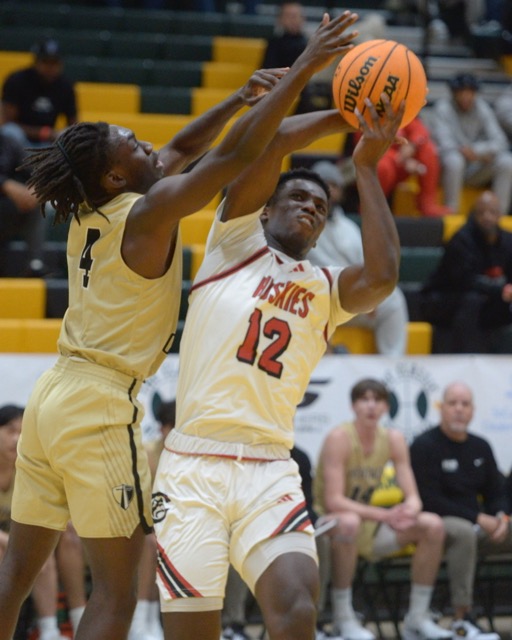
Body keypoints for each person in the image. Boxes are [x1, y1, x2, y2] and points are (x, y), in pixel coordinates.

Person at [0, 11, 359, 638]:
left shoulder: (98, 203)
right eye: (135, 147)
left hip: (52, 395)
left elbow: (185, 146)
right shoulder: (150, 211)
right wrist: (306, 69)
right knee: (112, 594)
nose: (148, 147)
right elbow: (238, 154)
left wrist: (234, 98)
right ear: (118, 175)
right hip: (99, 406)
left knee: (14, 574)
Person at [151, 49, 405, 637]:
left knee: (295, 613)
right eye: (299, 199)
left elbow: (383, 278)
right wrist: (343, 114)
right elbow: (266, 144)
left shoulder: (325, 289)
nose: (311, 210)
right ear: (265, 210)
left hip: (270, 469)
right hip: (194, 466)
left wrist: (366, 167)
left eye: (321, 208)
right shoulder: (232, 244)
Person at [313, 378, 451, 640]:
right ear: (353, 405)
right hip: (328, 526)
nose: (371, 406)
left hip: (369, 524)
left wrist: (408, 510)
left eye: (377, 400)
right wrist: (385, 514)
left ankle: (417, 619)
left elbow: (414, 497)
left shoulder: (393, 438)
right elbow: (334, 501)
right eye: (364, 399)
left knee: (432, 524)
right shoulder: (339, 438)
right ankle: (343, 618)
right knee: (349, 520)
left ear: (387, 407)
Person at [410, 381, 511, 639]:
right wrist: (478, 517)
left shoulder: (480, 446)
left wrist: (500, 517)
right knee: (464, 532)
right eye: (453, 403)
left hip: (481, 525)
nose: (459, 409)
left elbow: (496, 491)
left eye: (465, 404)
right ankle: (461, 619)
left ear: (473, 410)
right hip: (437, 523)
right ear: (441, 408)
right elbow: (427, 498)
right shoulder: (424, 445)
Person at [307, 160, 409, 356]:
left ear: (341, 192)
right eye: (323, 183)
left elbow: (369, 268)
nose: (328, 189)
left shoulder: (350, 228)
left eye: (334, 185)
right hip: (317, 297)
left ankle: (392, 365)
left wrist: (370, 297)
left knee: (393, 299)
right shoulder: (301, 221)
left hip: (350, 298)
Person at [0, 405, 67, 640]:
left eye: (22, 432)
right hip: (5, 545)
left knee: (42, 553)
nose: (16, 439)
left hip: (12, 545)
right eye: (10, 430)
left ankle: (50, 631)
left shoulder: (30, 470)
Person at [420, 190, 512, 353]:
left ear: (500, 215)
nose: (487, 217)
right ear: (473, 215)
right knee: (473, 301)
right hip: (443, 300)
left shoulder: (508, 240)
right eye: (481, 212)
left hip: (486, 299)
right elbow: (464, 281)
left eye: (492, 212)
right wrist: (502, 290)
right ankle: (467, 360)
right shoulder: (461, 240)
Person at [430, 72, 512, 215]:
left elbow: (501, 141)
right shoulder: (443, 108)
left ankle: (498, 215)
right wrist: (464, 150)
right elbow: (443, 143)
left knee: (507, 162)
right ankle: (451, 211)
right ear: (454, 93)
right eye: (462, 92)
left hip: (474, 168)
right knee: (454, 160)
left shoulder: (482, 108)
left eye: (470, 92)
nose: (466, 96)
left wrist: (478, 152)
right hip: (448, 171)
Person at [1, 38, 77, 147]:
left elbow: (73, 124)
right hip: (21, 142)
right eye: (46, 62)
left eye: (55, 63)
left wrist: (59, 135)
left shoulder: (66, 85)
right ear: (36, 62)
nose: (50, 68)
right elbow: (7, 122)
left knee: (72, 136)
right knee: (10, 132)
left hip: (48, 144)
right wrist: (43, 132)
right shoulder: (17, 80)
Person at [373, 116, 453, 218]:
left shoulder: (399, 111)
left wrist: (413, 145)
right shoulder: (368, 114)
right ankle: (372, 207)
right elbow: (366, 150)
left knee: (428, 149)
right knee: (382, 167)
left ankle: (427, 204)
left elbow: (420, 130)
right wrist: (399, 158)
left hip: (404, 161)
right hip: (383, 161)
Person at [0, 128, 47, 277]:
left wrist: (33, 190)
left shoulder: (8, 141)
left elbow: (35, 172)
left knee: (37, 202)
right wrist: (5, 184)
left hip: (7, 209)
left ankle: (35, 264)